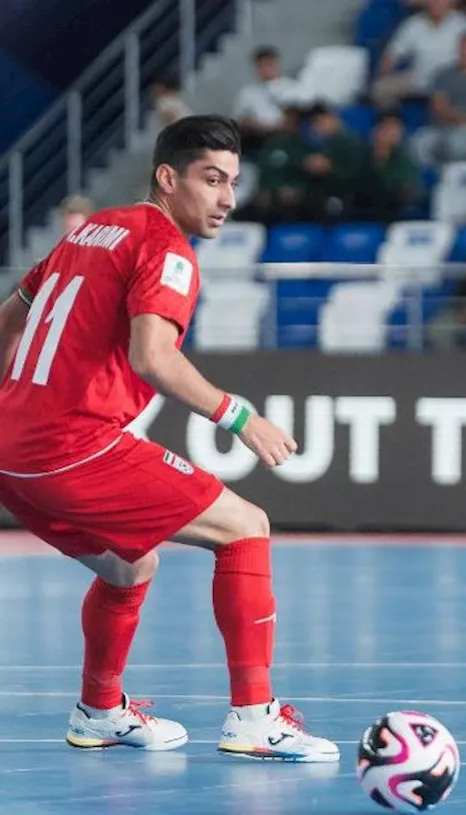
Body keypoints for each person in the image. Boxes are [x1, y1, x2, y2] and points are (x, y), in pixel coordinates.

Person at [0, 115, 338, 763]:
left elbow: (10, 315)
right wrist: (240, 416)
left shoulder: (91, 230)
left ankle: (99, 710)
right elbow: (153, 355)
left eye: (233, 182)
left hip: (11, 451)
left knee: (130, 565)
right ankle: (254, 716)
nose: (227, 199)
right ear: (167, 177)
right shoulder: (165, 248)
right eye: (212, 180)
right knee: (245, 524)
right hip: (70, 444)